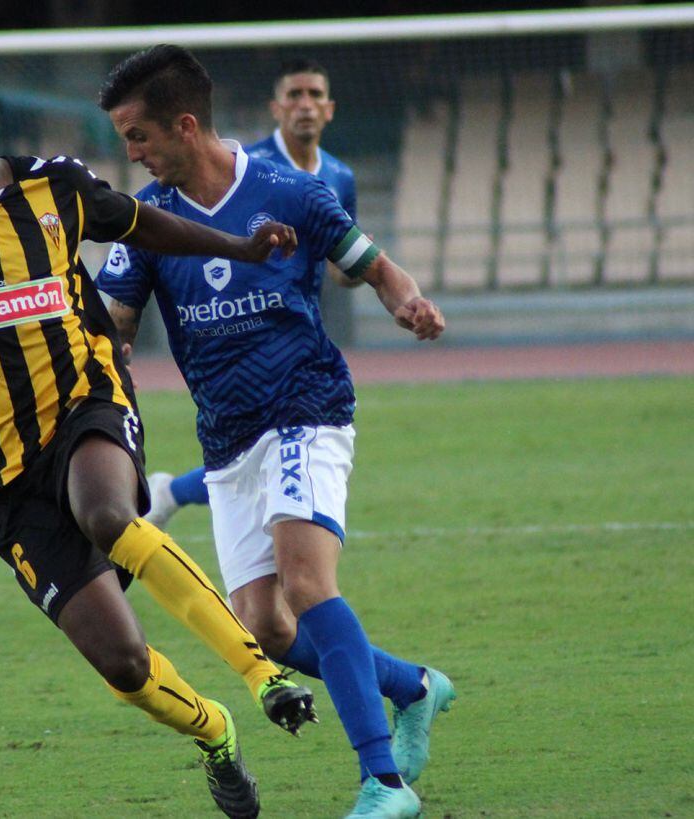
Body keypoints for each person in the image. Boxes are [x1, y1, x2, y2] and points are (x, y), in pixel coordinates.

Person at [0, 65, 317, 819]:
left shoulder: (57, 186)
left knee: (105, 511)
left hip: (88, 399)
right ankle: (217, 732)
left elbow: (140, 222)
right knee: (126, 662)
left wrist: (239, 248)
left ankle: (261, 674)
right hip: (5, 474)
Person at [96, 46, 455, 818]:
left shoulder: (290, 193)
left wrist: (407, 302)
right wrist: (108, 351)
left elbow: (375, 264)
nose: (131, 153)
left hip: (306, 408)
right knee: (265, 624)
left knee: (305, 582)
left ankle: (385, 782)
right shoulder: (147, 221)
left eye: (138, 135)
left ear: (184, 125)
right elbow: (112, 319)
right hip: (227, 440)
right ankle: (415, 687)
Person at [145, 58, 361, 529]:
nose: (305, 105)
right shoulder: (253, 170)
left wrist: (366, 272)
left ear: (330, 109)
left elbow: (344, 265)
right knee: (254, 448)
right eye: (294, 95)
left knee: (273, 446)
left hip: (294, 328)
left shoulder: (339, 176)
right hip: (227, 327)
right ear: (276, 108)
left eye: (315, 95)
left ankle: (170, 492)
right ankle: (170, 492)